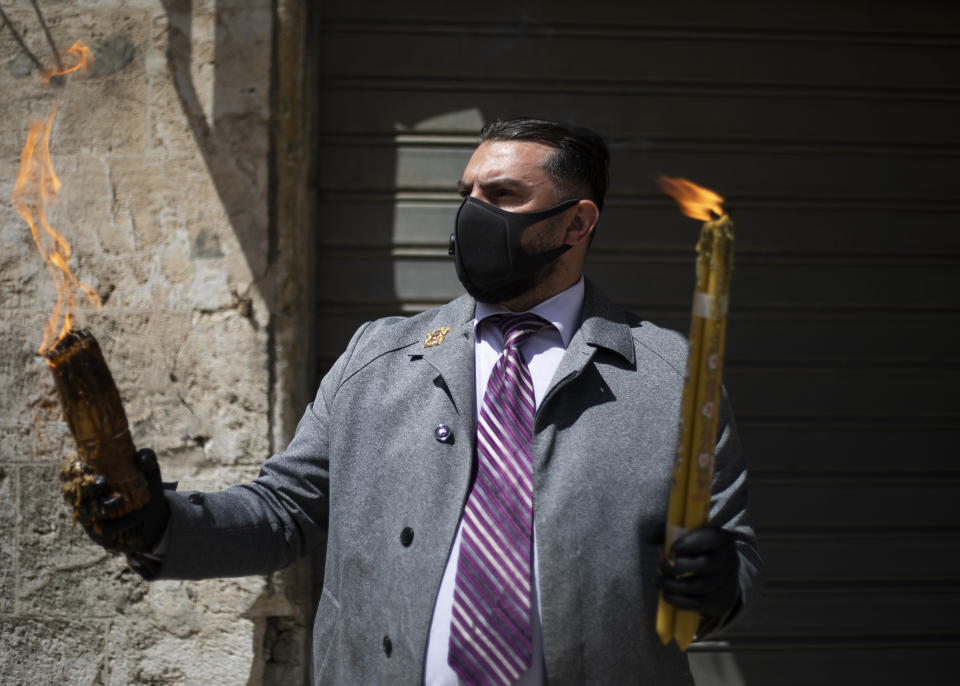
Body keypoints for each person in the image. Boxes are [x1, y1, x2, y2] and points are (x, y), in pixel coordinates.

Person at [65, 118, 761, 685]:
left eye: (503, 195)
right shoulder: (381, 355)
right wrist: (160, 523)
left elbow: (726, 553)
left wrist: (719, 580)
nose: (471, 215)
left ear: (576, 224)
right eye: (468, 192)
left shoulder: (671, 376)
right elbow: (285, 513)